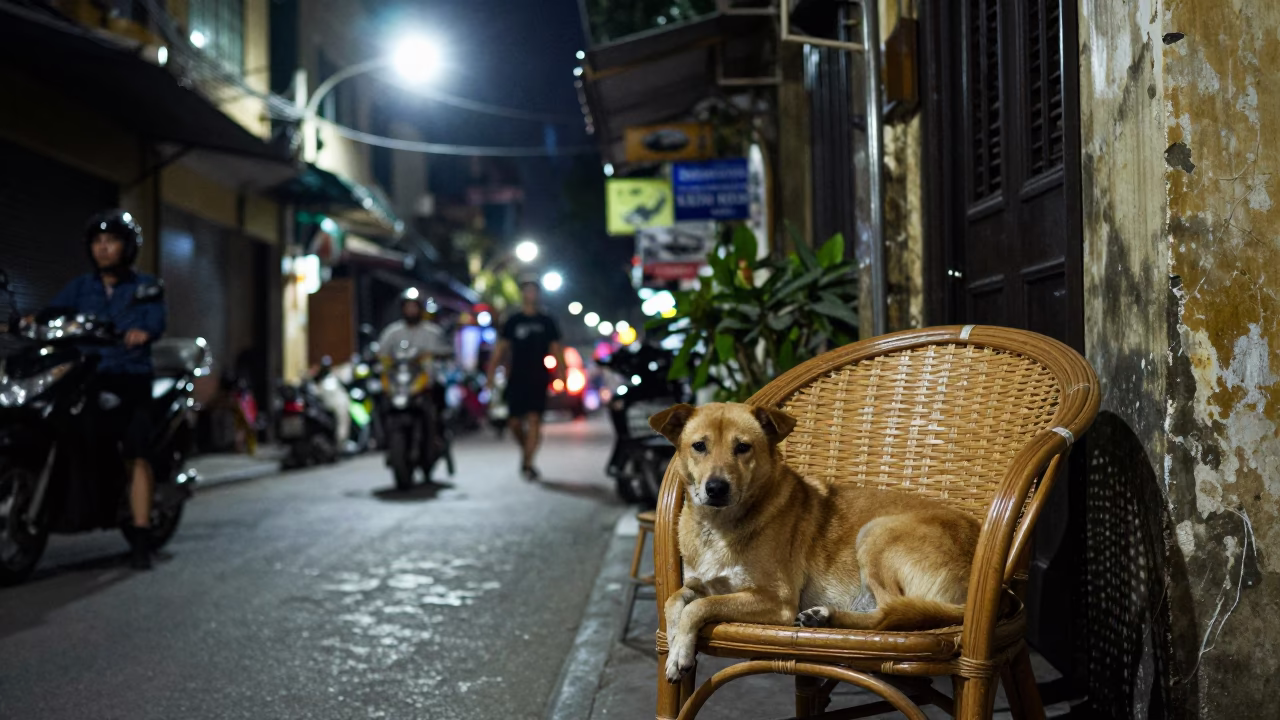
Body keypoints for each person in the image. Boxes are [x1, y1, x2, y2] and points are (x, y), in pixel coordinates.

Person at [49, 209, 167, 570]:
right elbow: (52, 313)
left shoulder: (145, 287)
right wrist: (25, 321)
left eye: (111, 241)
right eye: (97, 242)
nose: (103, 249)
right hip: (89, 376)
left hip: (129, 379)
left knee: (136, 452)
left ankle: (142, 536)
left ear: (127, 246)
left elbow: (155, 321)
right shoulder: (81, 287)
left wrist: (141, 333)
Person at [486, 272, 565, 480]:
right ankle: (526, 451)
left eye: (533, 290)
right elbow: (500, 349)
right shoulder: (513, 321)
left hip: (538, 376)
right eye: (526, 289)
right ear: (522, 293)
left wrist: (562, 374)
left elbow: (557, 350)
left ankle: (528, 464)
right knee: (513, 422)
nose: (530, 293)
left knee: (534, 418)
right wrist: (490, 375)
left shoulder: (547, 321)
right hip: (516, 376)